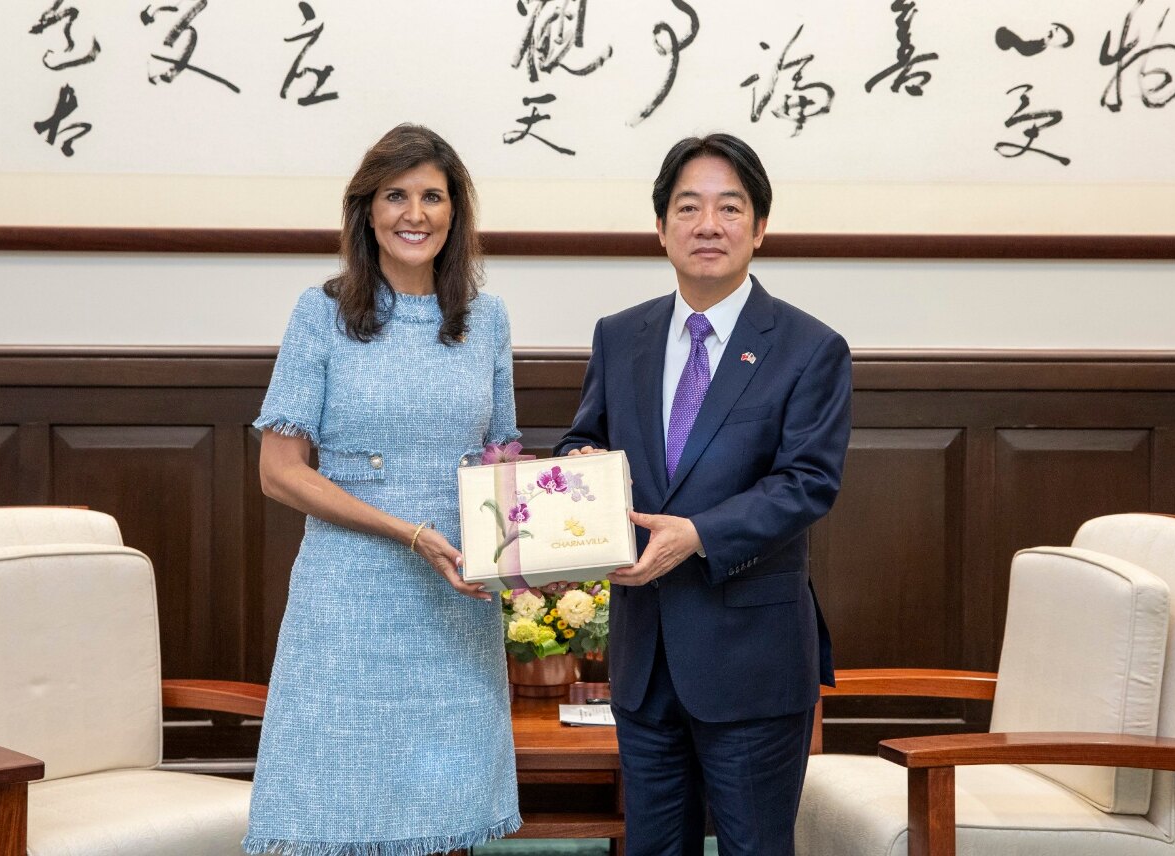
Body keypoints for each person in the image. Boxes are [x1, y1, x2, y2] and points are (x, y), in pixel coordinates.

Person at [555, 133, 852, 856]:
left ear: (759, 227)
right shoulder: (620, 335)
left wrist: (698, 535)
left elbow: (807, 482)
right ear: (661, 227)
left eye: (729, 207)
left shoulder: (810, 348)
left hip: (751, 658)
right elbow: (580, 440)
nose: (707, 225)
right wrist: (584, 469)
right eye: (687, 207)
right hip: (644, 655)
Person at [243, 124, 522, 856]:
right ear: (366, 210)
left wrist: (541, 549)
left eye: (433, 196)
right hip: (347, 604)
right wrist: (409, 533)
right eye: (396, 195)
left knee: (447, 816)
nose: (415, 212)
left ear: (456, 213)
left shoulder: (487, 321)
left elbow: (502, 466)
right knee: (340, 811)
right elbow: (280, 472)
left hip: (455, 603)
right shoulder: (322, 313)